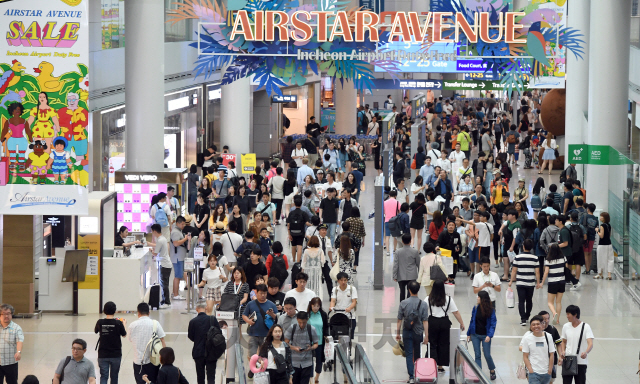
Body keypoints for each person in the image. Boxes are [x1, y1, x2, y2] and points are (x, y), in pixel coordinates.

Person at [425, 281, 465, 373]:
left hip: (432, 322)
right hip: (444, 323)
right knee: (443, 344)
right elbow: (456, 312)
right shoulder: (448, 299)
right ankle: (440, 366)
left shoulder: (428, 298)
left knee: (432, 344)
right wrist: (461, 323)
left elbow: (422, 311)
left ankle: (432, 364)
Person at [395, 281, 429, 383]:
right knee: (417, 353)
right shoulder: (423, 304)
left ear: (409, 290)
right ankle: (418, 374)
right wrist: (426, 335)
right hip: (418, 332)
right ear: (418, 290)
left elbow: (399, 320)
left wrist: (397, 333)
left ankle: (411, 377)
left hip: (407, 331)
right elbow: (425, 321)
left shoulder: (403, 303)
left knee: (409, 354)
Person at [128, 303, 167, 384]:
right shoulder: (155, 323)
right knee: (153, 381)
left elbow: (130, 339)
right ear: (149, 313)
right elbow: (162, 339)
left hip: (138, 361)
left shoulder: (132, 325)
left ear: (138, 313)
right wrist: (164, 359)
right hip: (153, 361)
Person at [242, 284, 278, 369]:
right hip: (253, 333)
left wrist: (272, 314)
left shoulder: (271, 304)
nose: (263, 295)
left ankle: (262, 370)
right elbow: (244, 315)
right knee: (252, 354)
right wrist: (248, 321)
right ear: (256, 293)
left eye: (264, 293)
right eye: (261, 293)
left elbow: (277, 318)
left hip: (266, 334)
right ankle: (253, 369)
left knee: (265, 355)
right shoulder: (251, 304)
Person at [466, 291, 497, 380]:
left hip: (485, 336)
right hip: (475, 334)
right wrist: (469, 333)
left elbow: (493, 324)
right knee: (477, 354)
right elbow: (472, 321)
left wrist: (489, 335)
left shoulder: (491, 310)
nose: (477, 298)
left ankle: (492, 370)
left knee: (487, 354)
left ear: (483, 299)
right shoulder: (475, 308)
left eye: (478, 296)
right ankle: (478, 373)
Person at [509, 239, 541, 326]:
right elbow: (537, 272)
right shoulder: (535, 258)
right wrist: (538, 282)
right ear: (531, 248)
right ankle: (527, 316)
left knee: (521, 301)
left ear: (523, 246)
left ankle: (523, 319)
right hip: (530, 283)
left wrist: (511, 281)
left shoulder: (518, 257)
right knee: (529, 300)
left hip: (520, 283)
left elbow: (514, 270)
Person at [188, 301, 220, 384]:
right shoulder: (212, 319)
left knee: (200, 377)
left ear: (196, 309)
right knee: (211, 377)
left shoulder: (192, 322)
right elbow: (219, 334)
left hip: (198, 352)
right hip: (211, 352)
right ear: (206, 308)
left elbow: (190, 336)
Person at [94, 302, 126, 384]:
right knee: (114, 377)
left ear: (104, 311)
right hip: (116, 354)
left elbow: (95, 331)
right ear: (115, 311)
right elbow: (124, 335)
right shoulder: (118, 323)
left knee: (104, 376)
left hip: (102, 354)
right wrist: (124, 324)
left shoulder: (100, 322)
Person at [560, 305, 594, 384]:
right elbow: (563, 341)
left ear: (575, 314)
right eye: (566, 314)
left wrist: (586, 352)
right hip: (568, 359)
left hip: (580, 362)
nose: (567, 316)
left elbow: (590, 343)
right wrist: (563, 351)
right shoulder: (566, 326)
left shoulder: (586, 327)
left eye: (569, 314)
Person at [284, 311, 319, 384]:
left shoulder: (311, 329)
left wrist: (311, 348)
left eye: (304, 322)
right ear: (297, 319)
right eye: (300, 322)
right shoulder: (292, 328)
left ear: (307, 319)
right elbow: (285, 343)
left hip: (307, 362)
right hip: (294, 362)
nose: (302, 324)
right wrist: (294, 348)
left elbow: (316, 344)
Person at [521, 316, 555, 384]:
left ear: (542, 325)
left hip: (546, 373)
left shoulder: (548, 336)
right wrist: (531, 371)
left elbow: (551, 354)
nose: (536, 326)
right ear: (530, 327)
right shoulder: (527, 338)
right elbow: (525, 356)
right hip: (534, 373)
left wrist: (550, 371)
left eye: (538, 324)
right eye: (533, 324)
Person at [540, 244, 566, 325]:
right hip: (562, 282)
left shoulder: (548, 260)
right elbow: (566, 268)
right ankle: (557, 320)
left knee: (550, 302)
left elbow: (546, 272)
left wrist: (542, 282)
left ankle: (554, 313)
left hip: (552, 283)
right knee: (558, 302)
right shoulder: (563, 258)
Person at [148, 224, 172, 309]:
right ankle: (164, 300)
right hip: (166, 264)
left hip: (164, 264)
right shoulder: (163, 239)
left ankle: (167, 302)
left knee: (164, 284)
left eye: (152, 232)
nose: (152, 233)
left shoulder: (160, 240)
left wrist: (150, 250)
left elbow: (155, 253)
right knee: (164, 283)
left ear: (154, 231)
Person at [393, 234, 421, 302]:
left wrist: (395, 276)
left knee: (402, 292)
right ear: (410, 241)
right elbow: (418, 264)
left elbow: (395, 265)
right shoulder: (415, 251)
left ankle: (402, 306)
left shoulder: (398, 252)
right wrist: (420, 276)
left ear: (402, 241)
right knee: (410, 292)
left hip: (401, 275)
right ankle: (409, 306)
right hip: (412, 275)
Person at [330, 272, 358, 339]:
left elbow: (354, 302)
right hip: (338, 316)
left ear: (347, 280)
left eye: (345, 280)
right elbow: (333, 300)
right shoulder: (335, 289)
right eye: (341, 280)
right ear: (338, 281)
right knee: (337, 335)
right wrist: (331, 307)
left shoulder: (352, 289)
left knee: (349, 336)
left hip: (350, 316)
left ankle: (349, 347)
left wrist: (349, 308)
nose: (343, 282)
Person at [307, 298, 329, 383]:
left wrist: (326, 335)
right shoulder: (308, 314)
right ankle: (310, 378)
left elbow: (326, 327)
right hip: (309, 341)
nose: (316, 308)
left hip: (319, 341)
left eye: (318, 306)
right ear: (311, 305)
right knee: (309, 361)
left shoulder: (323, 314)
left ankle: (317, 377)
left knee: (319, 360)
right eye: (314, 306)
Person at [0, 304, 23, 384]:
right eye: (4, 313)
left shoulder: (17, 328)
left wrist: (19, 352)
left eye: (9, 313)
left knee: (12, 382)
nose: (6, 316)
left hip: (11, 363)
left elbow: (19, 341)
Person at [538, 311, 562, 382]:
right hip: (539, 360)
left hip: (552, 359)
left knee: (551, 380)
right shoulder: (535, 330)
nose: (547, 321)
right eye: (544, 319)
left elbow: (558, 344)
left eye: (548, 318)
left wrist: (560, 356)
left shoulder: (553, 329)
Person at [301, 236, 325, 300]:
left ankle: (308, 298)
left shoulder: (306, 251)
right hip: (317, 270)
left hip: (308, 270)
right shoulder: (320, 251)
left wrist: (302, 272)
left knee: (308, 284)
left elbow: (303, 263)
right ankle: (317, 298)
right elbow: (323, 262)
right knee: (317, 284)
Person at [595, 212, 613, 280]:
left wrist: (597, 231)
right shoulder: (609, 225)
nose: (600, 217)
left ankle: (600, 273)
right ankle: (609, 274)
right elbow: (609, 235)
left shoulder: (602, 225)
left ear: (604, 218)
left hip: (602, 245)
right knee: (610, 259)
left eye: (601, 216)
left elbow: (601, 236)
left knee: (600, 258)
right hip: (609, 244)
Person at [383, 189, 400, 255]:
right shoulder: (397, 202)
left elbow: (384, 211)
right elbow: (399, 211)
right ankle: (394, 249)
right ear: (395, 196)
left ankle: (387, 251)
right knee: (395, 236)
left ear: (389, 195)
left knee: (387, 236)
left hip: (387, 220)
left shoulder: (385, 202)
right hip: (395, 221)